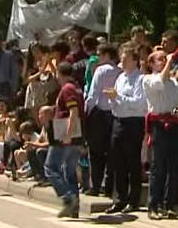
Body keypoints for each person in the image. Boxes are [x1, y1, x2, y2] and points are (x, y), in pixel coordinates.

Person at [104, 46, 147, 214]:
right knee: (117, 161)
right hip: (118, 121)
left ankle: (133, 200)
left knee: (132, 162)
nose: (122, 61)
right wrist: (112, 100)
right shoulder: (120, 77)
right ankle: (120, 199)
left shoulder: (140, 80)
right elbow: (115, 100)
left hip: (133, 123)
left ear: (135, 61)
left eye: (126, 58)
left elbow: (138, 103)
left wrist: (118, 97)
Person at [143, 51, 178, 220]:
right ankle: (153, 205)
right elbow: (161, 80)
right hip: (159, 126)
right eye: (160, 59)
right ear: (152, 64)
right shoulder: (148, 79)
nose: (164, 60)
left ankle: (170, 203)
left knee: (175, 167)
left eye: (164, 58)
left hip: (176, 126)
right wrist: (169, 62)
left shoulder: (176, 84)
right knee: (158, 167)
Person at [45, 61, 85, 218]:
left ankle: (69, 198)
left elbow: (73, 111)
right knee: (70, 171)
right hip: (78, 134)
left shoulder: (67, 89)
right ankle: (74, 208)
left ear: (59, 74)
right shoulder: (77, 88)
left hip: (66, 135)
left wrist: (68, 134)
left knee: (50, 168)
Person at [85, 44, 122, 196]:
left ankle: (95, 185)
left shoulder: (101, 70)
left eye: (100, 54)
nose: (98, 58)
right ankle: (109, 186)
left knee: (96, 152)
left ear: (107, 55)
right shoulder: (120, 71)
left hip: (99, 114)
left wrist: (86, 112)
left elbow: (93, 94)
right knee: (111, 152)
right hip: (114, 114)